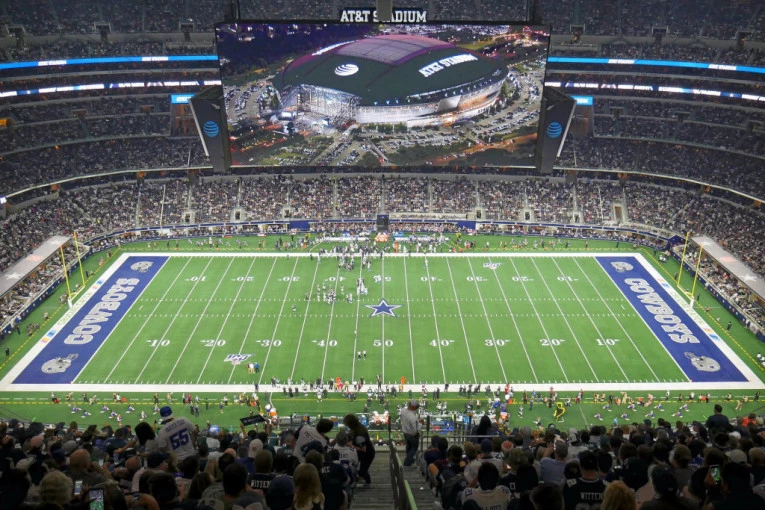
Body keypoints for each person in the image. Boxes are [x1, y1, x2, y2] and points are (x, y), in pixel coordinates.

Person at [343, 413, 375, 486]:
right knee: (363, 470)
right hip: (366, 453)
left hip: (367, 454)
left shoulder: (360, 434)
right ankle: (367, 483)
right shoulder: (358, 427)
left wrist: (351, 445)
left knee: (362, 471)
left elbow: (363, 449)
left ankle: (366, 484)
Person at [400, 399, 421, 467]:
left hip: (405, 433)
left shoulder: (403, 410)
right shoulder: (413, 417)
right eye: (416, 407)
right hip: (412, 435)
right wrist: (420, 423)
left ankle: (410, 460)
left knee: (409, 447)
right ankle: (407, 463)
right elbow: (415, 430)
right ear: (413, 407)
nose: (417, 408)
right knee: (414, 448)